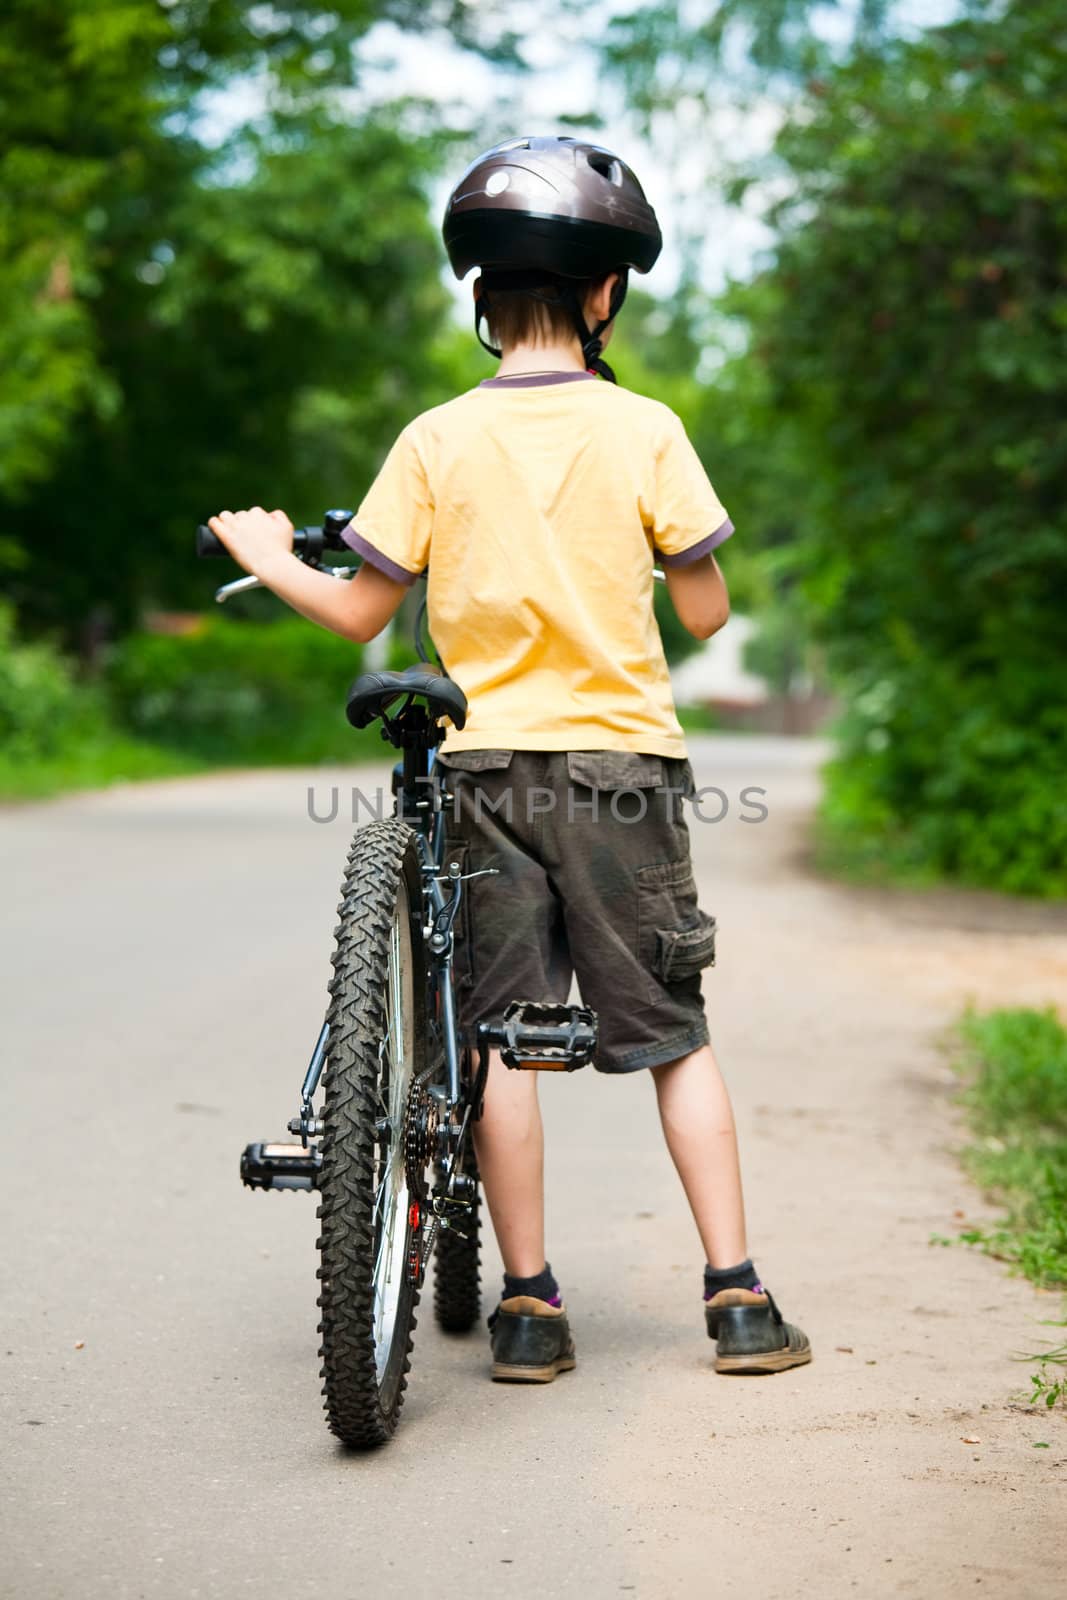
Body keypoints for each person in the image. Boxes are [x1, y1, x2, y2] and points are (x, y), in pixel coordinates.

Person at [208, 134, 811, 1384]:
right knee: (673, 1033)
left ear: (480, 296)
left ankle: (529, 1307)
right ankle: (738, 1299)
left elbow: (360, 613)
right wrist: (642, 560)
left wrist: (272, 556)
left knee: (485, 1039)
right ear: (605, 295)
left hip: (481, 772)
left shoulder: (433, 439)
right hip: (619, 772)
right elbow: (702, 614)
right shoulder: (647, 427)